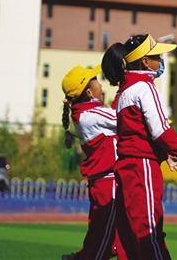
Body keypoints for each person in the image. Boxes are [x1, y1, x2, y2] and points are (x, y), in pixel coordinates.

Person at [102, 34, 177, 259]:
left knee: (128, 233)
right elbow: (159, 129)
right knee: (149, 230)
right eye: (156, 57)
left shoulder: (124, 91)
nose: (160, 60)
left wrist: (165, 154)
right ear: (145, 62)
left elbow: (138, 131)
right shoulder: (144, 86)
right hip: (142, 165)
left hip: (126, 165)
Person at [59, 65, 126, 260]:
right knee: (104, 239)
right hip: (108, 180)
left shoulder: (84, 114)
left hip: (101, 181)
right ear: (89, 92)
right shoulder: (92, 115)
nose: (100, 84)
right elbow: (123, 117)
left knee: (100, 231)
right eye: (96, 80)